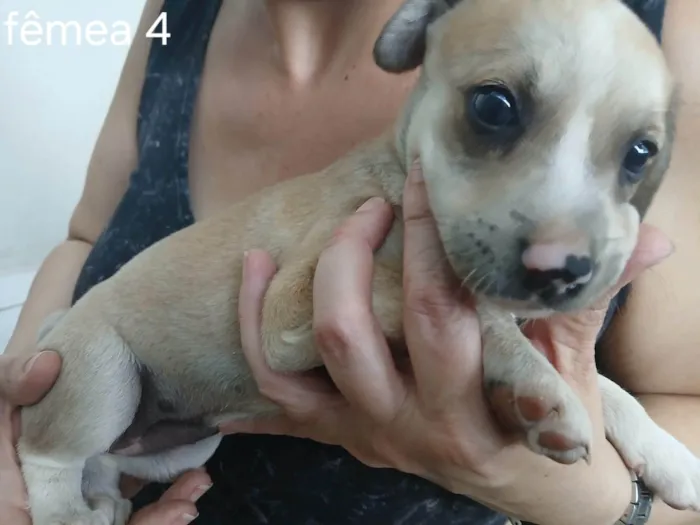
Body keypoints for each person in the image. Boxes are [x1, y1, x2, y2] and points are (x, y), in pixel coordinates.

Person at [2, 0, 699, 524]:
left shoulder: (646, 44)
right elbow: (89, 237)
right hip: (142, 461)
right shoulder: (175, 11)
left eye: (637, 156)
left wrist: (596, 499)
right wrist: (16, 444)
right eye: (493, 111)